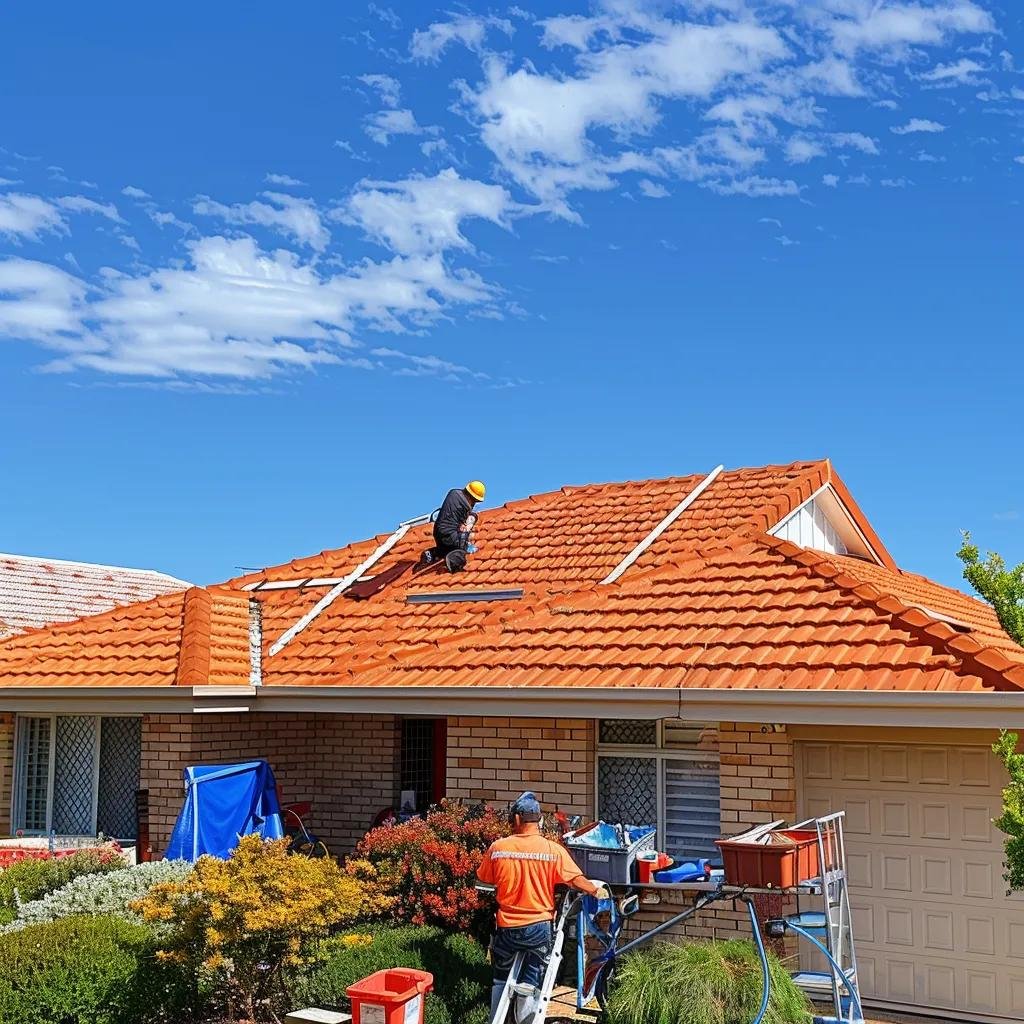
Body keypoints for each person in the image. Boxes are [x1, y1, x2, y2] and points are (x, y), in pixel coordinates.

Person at [477, 791, 609, 1022]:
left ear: (516, 819)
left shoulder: (498, 848)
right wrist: (596, 891)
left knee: (501, 977)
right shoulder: (552, 850)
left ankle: (495, 1018)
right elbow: (575, 879)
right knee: (530, 978)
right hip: (538, 929)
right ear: (538, 821)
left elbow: (484, 877)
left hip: (507, 928)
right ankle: (526, 1019)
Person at [424, 480, 485, 571]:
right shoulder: (466, 506)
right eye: (475, 501)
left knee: (445, 548)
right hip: (449, 535)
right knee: (462, 544)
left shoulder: (453, 492)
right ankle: (454, 563)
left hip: (437, 532)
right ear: (471, 497)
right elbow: (463, 527)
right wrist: (472, 518)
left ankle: (433, 553)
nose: (474, 504)